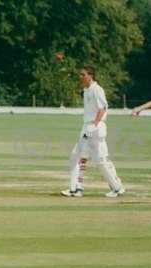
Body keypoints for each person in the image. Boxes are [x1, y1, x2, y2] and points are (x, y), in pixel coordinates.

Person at [61, 65, 125, 198]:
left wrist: (94, 125)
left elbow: (103, 108)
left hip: (94, 128)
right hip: (88, 127)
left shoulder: (97, 89)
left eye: (83, 74)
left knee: (97, 159)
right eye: (80, 74)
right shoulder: (86, 90)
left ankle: (116, 187)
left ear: (90, 76)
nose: (80, 77)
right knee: (78, 156)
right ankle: (76, 189)